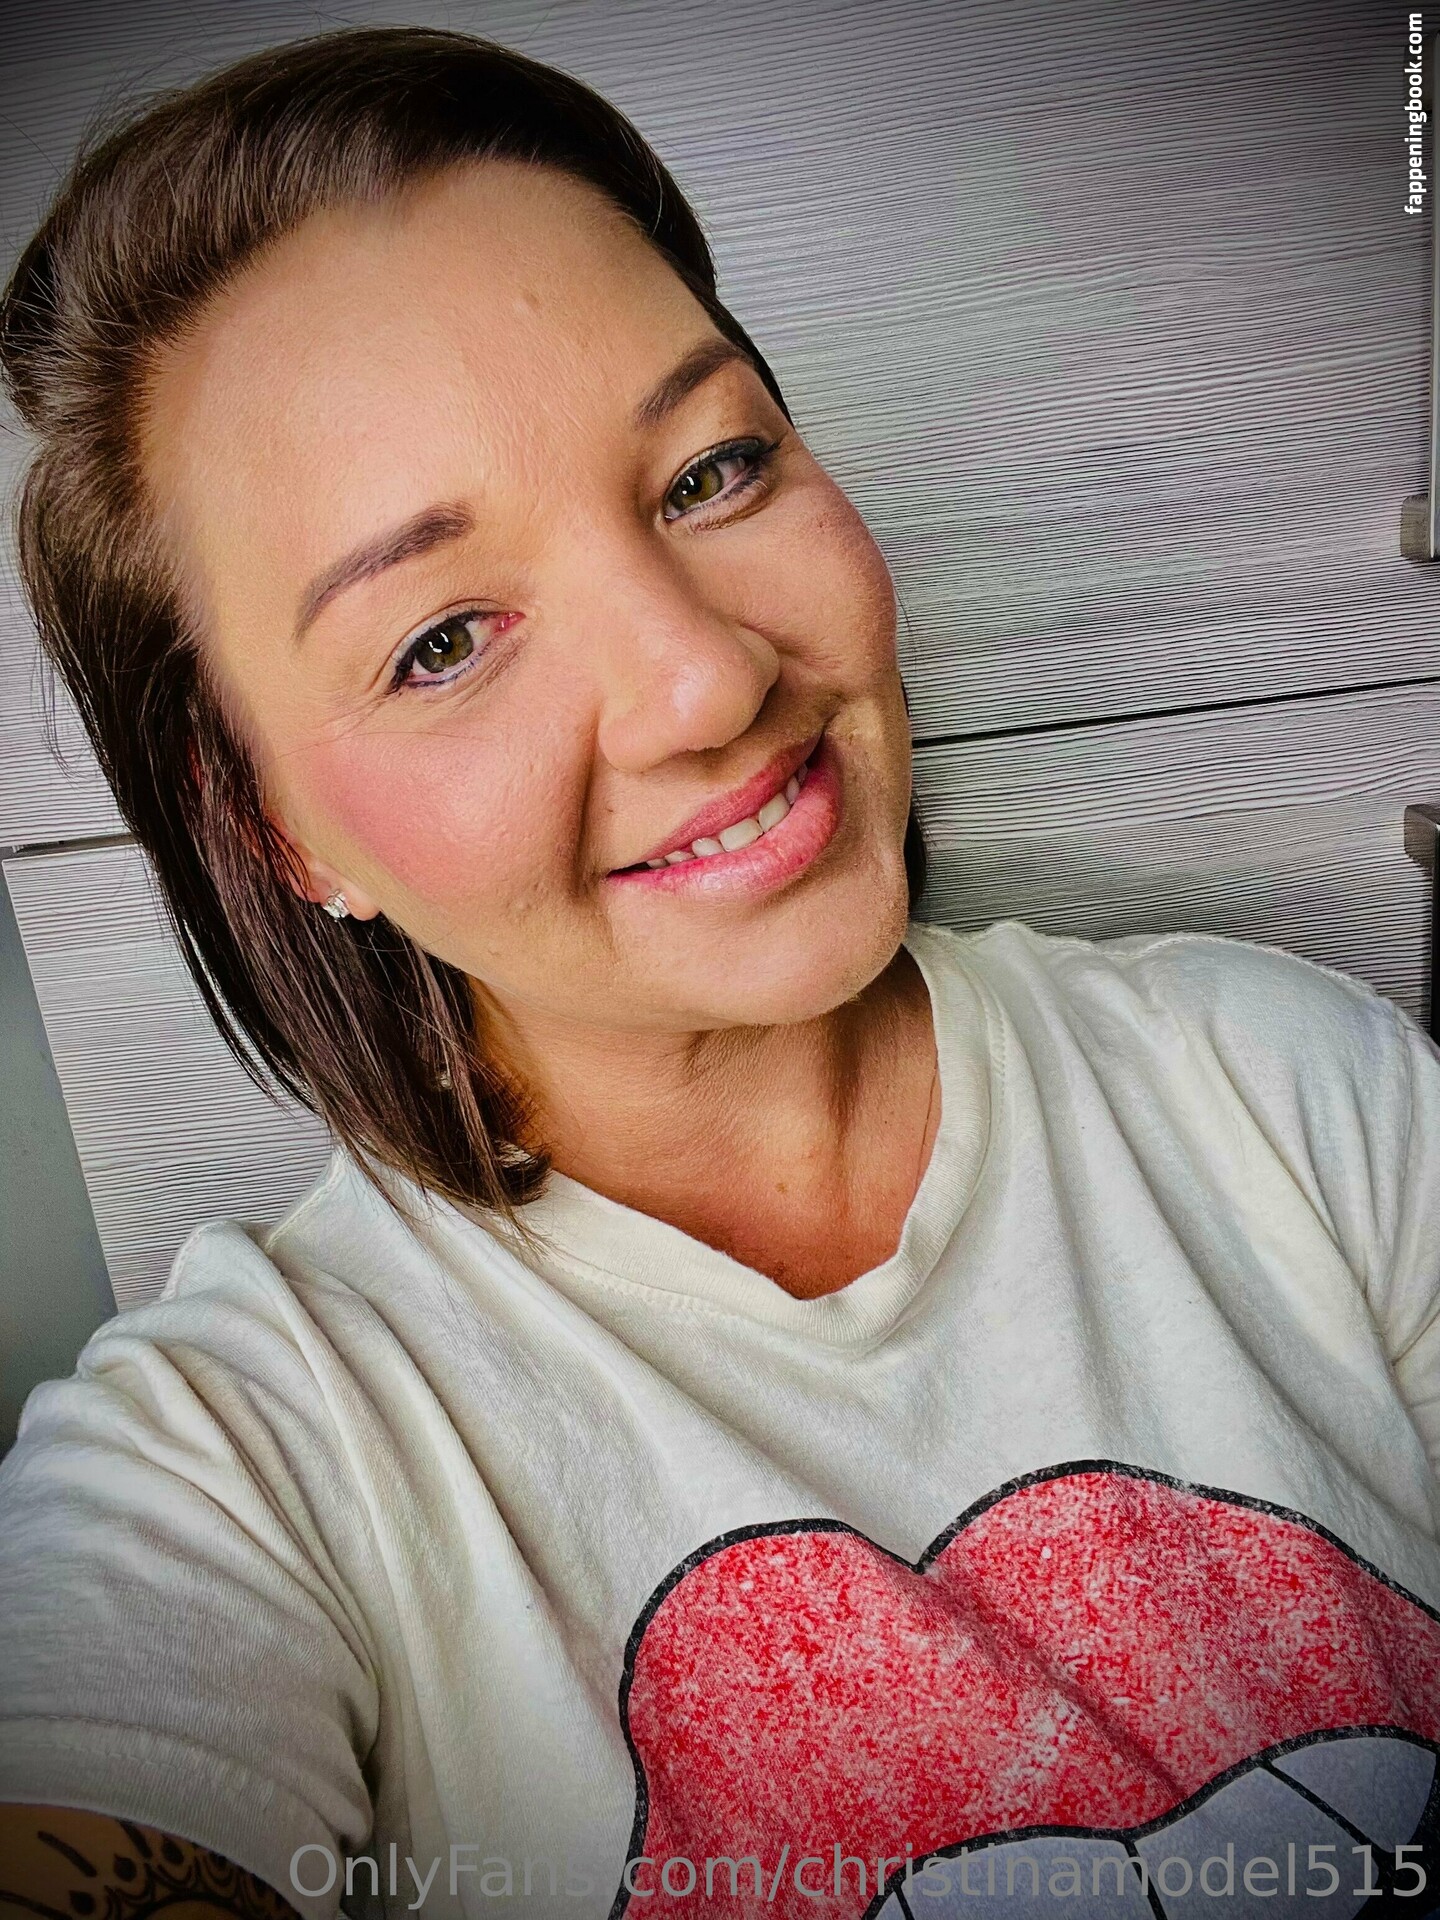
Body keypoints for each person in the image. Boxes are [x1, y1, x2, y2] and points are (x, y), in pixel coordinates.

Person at [1, 25, 1438, 1920]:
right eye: (442, 640)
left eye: (712, 470)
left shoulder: (1293, 1096)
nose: (707, 678)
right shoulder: (241, 1461)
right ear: (280, 835)